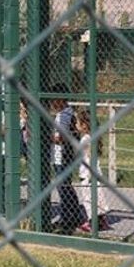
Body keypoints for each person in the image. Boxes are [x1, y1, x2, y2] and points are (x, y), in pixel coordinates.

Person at [74, 108, 113, 233]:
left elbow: (89, 156)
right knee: (97, 197)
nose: (76, 125)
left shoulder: (86, 138)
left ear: (84, 125)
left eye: (78, 122)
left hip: (88, 173)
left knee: (88, 199)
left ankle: (92, 223)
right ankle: (102, 220)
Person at [49, 97, 83, 232]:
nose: (52, 103)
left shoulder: (66, 115)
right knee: (64, 187)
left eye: (54, 100)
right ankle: (72, 215)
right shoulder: (62, 114)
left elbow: (61, 138)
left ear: (60, 99)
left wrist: (45, 135)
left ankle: (68, 217)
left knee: (63, 187)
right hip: (59, 156)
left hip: (63, 155)